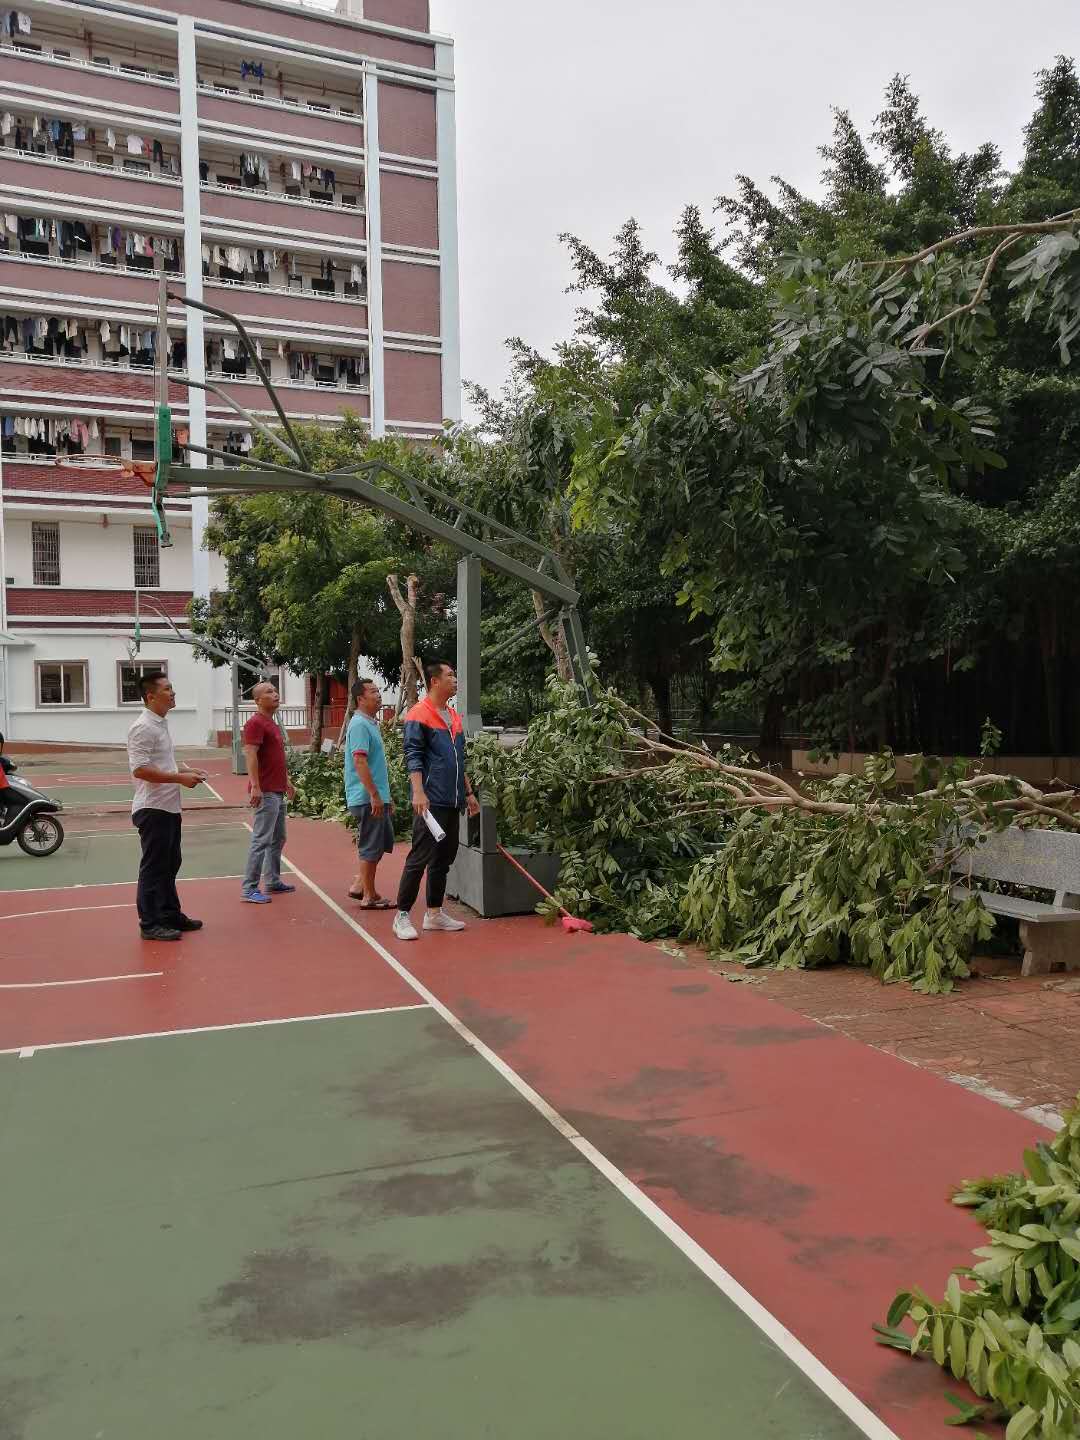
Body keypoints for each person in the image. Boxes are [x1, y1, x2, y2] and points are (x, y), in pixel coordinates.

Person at [393, 660, 480, 942]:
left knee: (443, 859)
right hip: (430, 801)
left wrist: (468, 793)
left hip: (453, 800)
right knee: (419, 858)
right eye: (450, 675)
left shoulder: (453, 716)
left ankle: (433, 913)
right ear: (434, 681)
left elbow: (459, 760)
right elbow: (413, 755)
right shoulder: (419, 714)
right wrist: (418, 792)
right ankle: (402, 915)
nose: (455, 680)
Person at [126, 673, 208, 942]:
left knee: (171, 863)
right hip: (153, 808)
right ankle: (150, 923)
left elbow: (161, 763)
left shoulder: (160, 724)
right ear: (151, 696)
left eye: (172, 688)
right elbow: (140, 769)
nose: (173, 693)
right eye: (167, 689)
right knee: (154, 867)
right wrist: (179, 778)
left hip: (168, 806)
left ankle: (170, 914)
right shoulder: (143, 727)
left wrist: (185, 771)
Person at [241, 681, 296, 904]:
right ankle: (249, 888)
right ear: (257, 700)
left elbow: (275, 758)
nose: (275, 694)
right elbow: (251, 755)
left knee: (278, 838)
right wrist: (255, 786)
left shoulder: (272, 723)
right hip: (266, 792)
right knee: (261, 840)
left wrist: (287, 781)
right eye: (269, 692)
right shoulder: (255, 723)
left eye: (275, 690)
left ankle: (272, 880)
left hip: (277, 789)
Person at [344, 677, 395, 908]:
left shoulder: (369, 723)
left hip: (377, 797)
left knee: (381, 842)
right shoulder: (359, 725)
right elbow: (360, 761)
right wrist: (374, 795)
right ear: (360, 699)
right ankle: (369, 895)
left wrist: (385, 796)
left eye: (378, 691)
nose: (378, 695)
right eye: (373, 692)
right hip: (366, 798)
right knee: (371, 846)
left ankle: (359, 884)